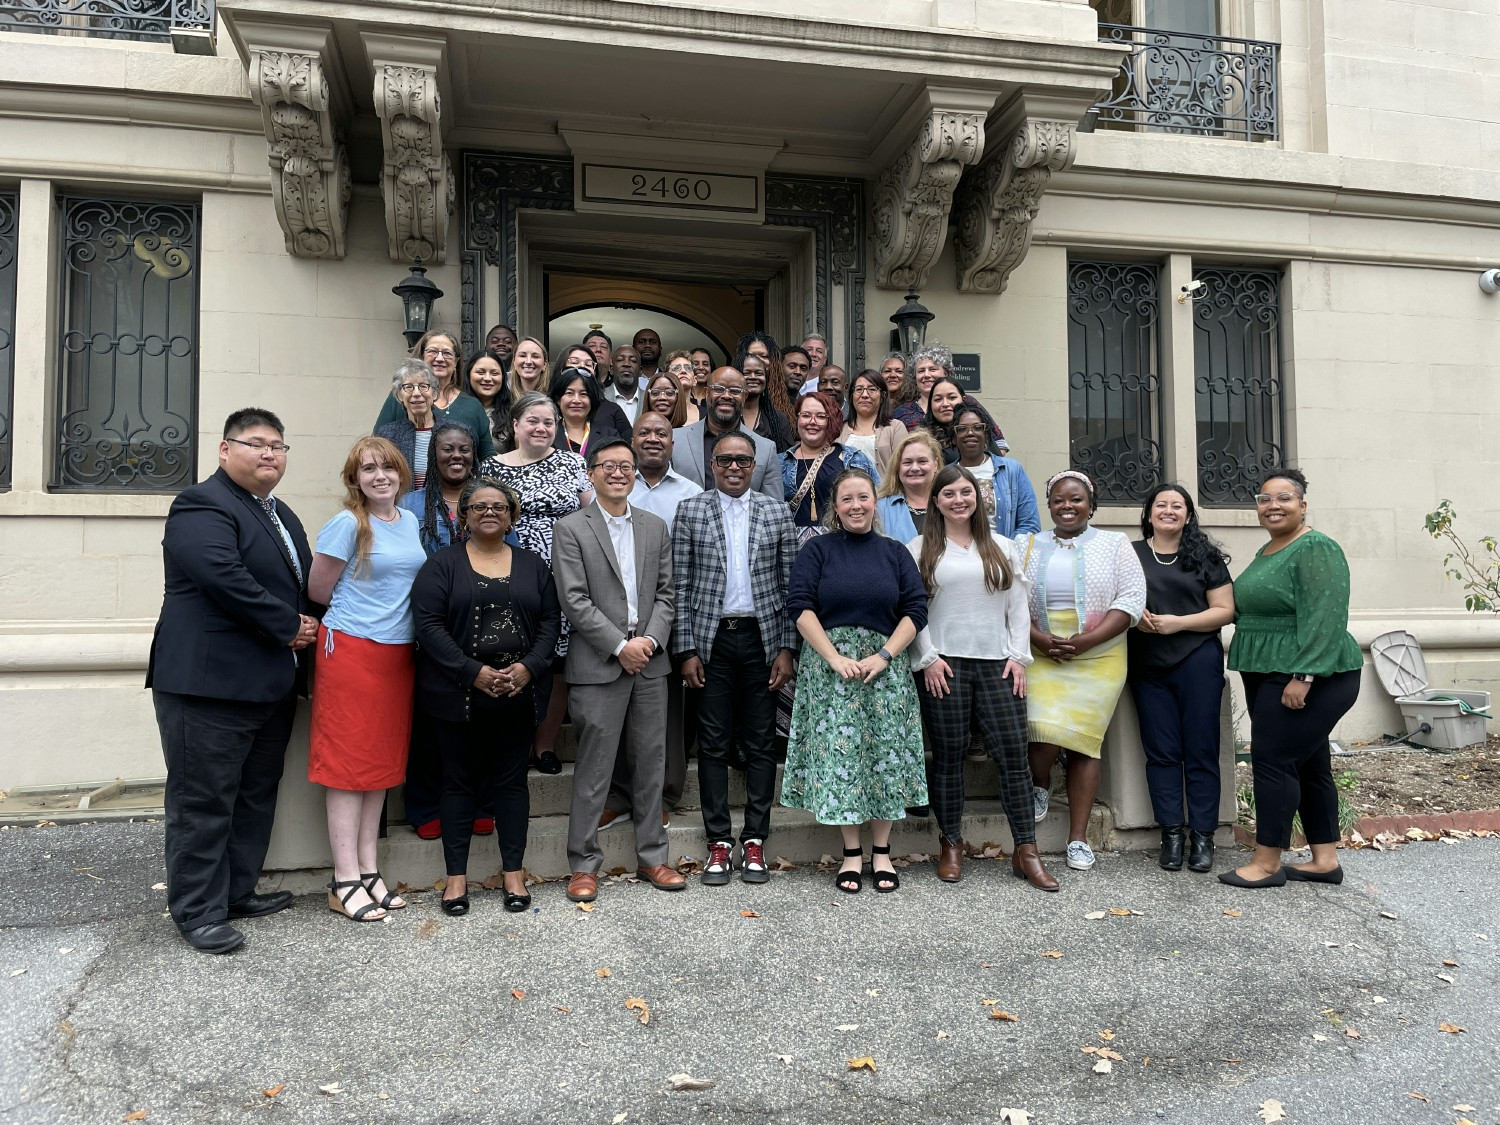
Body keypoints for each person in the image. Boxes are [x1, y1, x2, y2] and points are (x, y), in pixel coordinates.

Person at [147, 408, 315, 953]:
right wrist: (288, 625)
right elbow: (224, 576)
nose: (270, 454)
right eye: (257, 444)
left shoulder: (280, 513)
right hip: (208, 684)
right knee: (203, 799)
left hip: (269, 684)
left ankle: (237, 891)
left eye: (279, 446)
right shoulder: (201, 503)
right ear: (225, 450)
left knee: (254, 794)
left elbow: (305, 585)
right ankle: (197, 911)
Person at [411, 478, 561, 915]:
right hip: (457, 695)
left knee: (511, 784)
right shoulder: (442, 564)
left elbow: (551, 621)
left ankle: (513, 873)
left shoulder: (533, 565)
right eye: (479, 507)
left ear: (512, 516)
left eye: (499, 506)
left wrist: (529, 668)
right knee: (457, 782)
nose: (490, 512)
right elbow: (429, 627)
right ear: (465, 516)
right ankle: (456, 879)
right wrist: (471, 672)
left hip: (519, 693)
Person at [781, 468, 928, 894]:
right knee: (842, 760)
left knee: (884, 753)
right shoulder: (818, 551)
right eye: (847, 499)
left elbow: (915, 610)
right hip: (831, 670)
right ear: (836, 507)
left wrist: (884, 656)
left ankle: (881, 851)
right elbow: (800, 605)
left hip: (885, 669)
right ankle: (850, 853)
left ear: (875, 502)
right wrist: (833, 657)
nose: (856, 506)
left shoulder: (895, 552)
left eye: (863, 497)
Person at [908, 466, 1055, 889]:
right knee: (950, 756)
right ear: (935, 502)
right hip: (945, 665)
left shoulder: (1002, 547)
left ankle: (1026, 850)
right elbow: (912, 609)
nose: (959, 499)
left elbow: (1017, 605)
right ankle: (950, 844)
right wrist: (928, 657)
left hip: (997, 664)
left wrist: (1018, 657)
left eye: (966, 492)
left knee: (1012, 756)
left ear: (979, 498)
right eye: (949, 493)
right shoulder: (919, 548)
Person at [552, 439, 684, 902]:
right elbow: (574, 599)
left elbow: (668, 593)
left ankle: (653, 858)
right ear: (591, 473)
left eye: (626, 466)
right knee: (594, 770)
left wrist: (648, 641)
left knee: (651, 763)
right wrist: (619, 645)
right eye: (609, 465)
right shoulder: (571, 529)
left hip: (649, 662)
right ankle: (583, 865)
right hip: (599, 664)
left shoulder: (655, 526)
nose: (619, 472)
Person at [1221, 468, 1362, 890]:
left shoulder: (1315, 547)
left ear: (1303, 504)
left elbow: (1326, 616)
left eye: (1284, 498)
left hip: (1308, 672)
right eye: (1265, 499)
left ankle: (1266, 862)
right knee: (1310, 763)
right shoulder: (1271, 550)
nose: (1273, 505)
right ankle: (1324, 860)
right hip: (1269, 669)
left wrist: (1304, 676)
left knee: (1273, 760)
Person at [307, 436, 427, 923]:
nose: (380, 476)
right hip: (352, 650)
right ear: (354, 479)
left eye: (388, 468)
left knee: (381, 763)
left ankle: (369, 869)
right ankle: (343, 878)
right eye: (368, 469)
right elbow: (318, 588)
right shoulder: (347, 523)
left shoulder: (411, 519)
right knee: (345, 764)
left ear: (401, 474)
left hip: (398, 653)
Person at [672, 432, 799, 886]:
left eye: (742, 461)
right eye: (725, 459)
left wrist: (786, 647)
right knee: (713, 743)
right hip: (712, 643)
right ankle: (719, 843)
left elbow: (790, 587)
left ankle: (755, 840)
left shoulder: (775, 511)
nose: (733, 467)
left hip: (763, 641)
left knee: (762, 741)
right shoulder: (690, 511)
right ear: (712, 464)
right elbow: (680, 585)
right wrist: (686, 649)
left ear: (754, 466)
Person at [1020, 470, 1147, 873]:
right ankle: (1041, 784)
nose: (1067, 506)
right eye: (1059, 500)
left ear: (1091, 504)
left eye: (1076, 499)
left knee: (1085, 744)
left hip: (1100, 655)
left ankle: (1077, 837)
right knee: (1041, 733)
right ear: (1049, 505)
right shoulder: (1027, 545)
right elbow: (1008, 600)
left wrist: (1086, 642)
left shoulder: (1115, 544)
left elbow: (1130, 600)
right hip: (1041, 651)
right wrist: (1038, 638)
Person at [598, 411, 700, 834]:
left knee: (666, 717)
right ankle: (621, 793)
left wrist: (662, 631)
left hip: (670, 614)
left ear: (673, 443)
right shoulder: (614, 486)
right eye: (645, 433)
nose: (654, 438)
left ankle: (661, 794)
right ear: (633, 441)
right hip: (616, 622)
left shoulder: (691, 492)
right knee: (620, 710)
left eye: (662, 433)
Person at [480, 392, 591, 775]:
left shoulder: (573, 463)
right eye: (533, 421)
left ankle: (543, 745)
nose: (541, 428)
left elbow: (592, 517)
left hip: (564, 575)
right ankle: (516, 742)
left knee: (555, 663)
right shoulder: (491, 468)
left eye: (548, 422)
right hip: (508, 573)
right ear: (515, 426)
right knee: (513, 652)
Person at [1128, 484, 1236, 873]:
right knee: (1160, 753)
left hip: (1197, 660)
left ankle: (1203, 837)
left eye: (1178, 506)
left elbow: (1225, 610)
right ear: (1149, 513)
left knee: (1201, 750)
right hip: (1146, 663)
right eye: (1161, 504)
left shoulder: (1204, 557)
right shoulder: (1132, 554)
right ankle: (1172, 834)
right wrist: (1132, 613)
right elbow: (1113, 598)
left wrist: (1178, 624)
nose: (1169, 511)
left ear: (1188, 516)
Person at [398, 420, 486, 841]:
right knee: (433, 723)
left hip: (482, 627)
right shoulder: (411, 506)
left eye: (464, 449)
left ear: (474, 453)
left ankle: (481, 803)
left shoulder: (489, 501)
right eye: (447, 449)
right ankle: (426, 805)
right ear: (434, 455)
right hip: (429, 629)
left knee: (483, 723)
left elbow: (512, 551)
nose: (457, 456)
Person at [373, 331, 495, 460]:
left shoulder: (473, 406)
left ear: (456, 361)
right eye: (433, 351)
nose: (440, 358)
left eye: (447, 353)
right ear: (422, 356)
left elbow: (487, 458)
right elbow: (378, 444)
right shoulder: (401, 398)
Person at [671, 366, 784, 500]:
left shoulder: (766, 449)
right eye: (718, 389)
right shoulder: (676, 440)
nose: (726, 396)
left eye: (735, 391)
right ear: (707, 393)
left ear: (744, 396)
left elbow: (773, 509)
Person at [779, 390, 877, 536]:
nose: (812, 421)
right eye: (806, 415)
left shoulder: (853, 458)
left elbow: (878, 500)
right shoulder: (780, 462)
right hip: (791, 547)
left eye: (821, 416)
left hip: (842, 545)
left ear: (831, 420)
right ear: (797, 419)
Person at [949, 400, 1039, 538]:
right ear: (954, 438)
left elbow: (1030, 525)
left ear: (986, 435)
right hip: (959, 555)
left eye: (978, 427)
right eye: (962, 429)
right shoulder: (946, 476)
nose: (970, 433)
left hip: (1004, 555)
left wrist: (1003, 551)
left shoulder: (1011, 470)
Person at [374, 360, 439, 489]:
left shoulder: (452, 431)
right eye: (408, 387)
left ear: (434, 393)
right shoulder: (386, 436)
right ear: (399, 395)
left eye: (423, 386)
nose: (416, 393)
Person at [840, 369, 908, 484]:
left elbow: (905, 467)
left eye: (872, 389)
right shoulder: (840, 429)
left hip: (885, 498)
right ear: (851, 397)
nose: (865, 395)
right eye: (859, 389)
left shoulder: (895, 428)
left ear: (882, 396)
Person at [875, 430, 944, 542]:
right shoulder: (880, 507)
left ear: (935, 464)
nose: (915, 468)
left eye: (922, 461)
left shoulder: (950, 502)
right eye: (907, 462)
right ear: (897, 467)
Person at [551, 366, 631, 458]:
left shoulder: (609, 435)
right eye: (569, 393)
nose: (576, 400)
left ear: (592, 400)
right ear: (558, 399)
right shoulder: (547, 434)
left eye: (583, 394)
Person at [739, 350, 796, 452]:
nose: (753, 377)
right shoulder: (726, 414)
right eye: (746, 373)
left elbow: (785, 459)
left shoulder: (778, 419)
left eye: (759, 373)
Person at [893, 344, 952, 431]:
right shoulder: (900, 413)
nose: (926, 375)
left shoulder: (963, 404)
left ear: (945, 373)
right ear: (914, 376)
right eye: (921, 371)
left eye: (932, 369)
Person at [462, 349, 511, 452]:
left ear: (503, 377)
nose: (488, 378)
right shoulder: (454, 407)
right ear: (469, 374)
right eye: (480, 372)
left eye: (494, 373)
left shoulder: (514, 412)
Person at [604, 345, 646, 423]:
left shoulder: (650, 399)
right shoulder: (600, 397)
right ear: (611, 369)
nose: (626, 364)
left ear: (640, 371)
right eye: (620, 360)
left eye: (633, 360)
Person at [662, 351, 704, 422]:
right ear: (667, 378)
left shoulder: (706, 415)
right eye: (676, 368)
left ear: (695, 380)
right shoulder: (659, 412)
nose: (683, 371)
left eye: (688, 368)